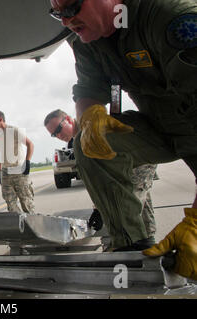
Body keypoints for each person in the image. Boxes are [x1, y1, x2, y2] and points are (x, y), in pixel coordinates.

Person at [49, 0, 196, 278]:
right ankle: (132, 252)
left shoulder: (172, 19)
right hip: (161, 127)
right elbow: (89, 88)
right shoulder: (88, 37)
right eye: (57, 14)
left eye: (71, 8)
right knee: (91, 144)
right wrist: (91, 113)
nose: (67, 21)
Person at [44, 109, 158, 245]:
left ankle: (132, 245)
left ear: (68, 119)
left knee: (128, 206)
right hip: (131, 161)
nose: (58, 135)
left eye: (58, 129)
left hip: (137, 160)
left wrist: (99, 209)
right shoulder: (80, 136)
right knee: (140, 201)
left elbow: (100, 177)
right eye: (53, 135)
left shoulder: (87, 132)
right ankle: (148, 240)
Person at [0, 110, 35, 213]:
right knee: (10, 203)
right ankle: (18, 225)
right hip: (5, 172)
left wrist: (27, 162)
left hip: (19, 170)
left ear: (0, 119)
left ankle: (30, 225)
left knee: (26, 201)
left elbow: (30, 144)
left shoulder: (14, 131)